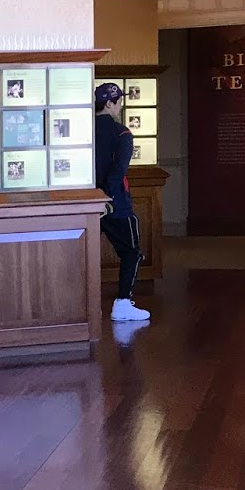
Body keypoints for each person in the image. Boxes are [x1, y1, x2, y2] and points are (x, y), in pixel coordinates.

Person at [95, 82, 149, 321]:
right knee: (131, 252)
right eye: (118, 102)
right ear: (109, 103)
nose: (120, 106)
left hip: (85, 202)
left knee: (82, 253)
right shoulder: (122, 133)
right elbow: (117, 172)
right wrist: (108, 199)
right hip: (115, 204)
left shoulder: (84, 130)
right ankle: (123, 303)